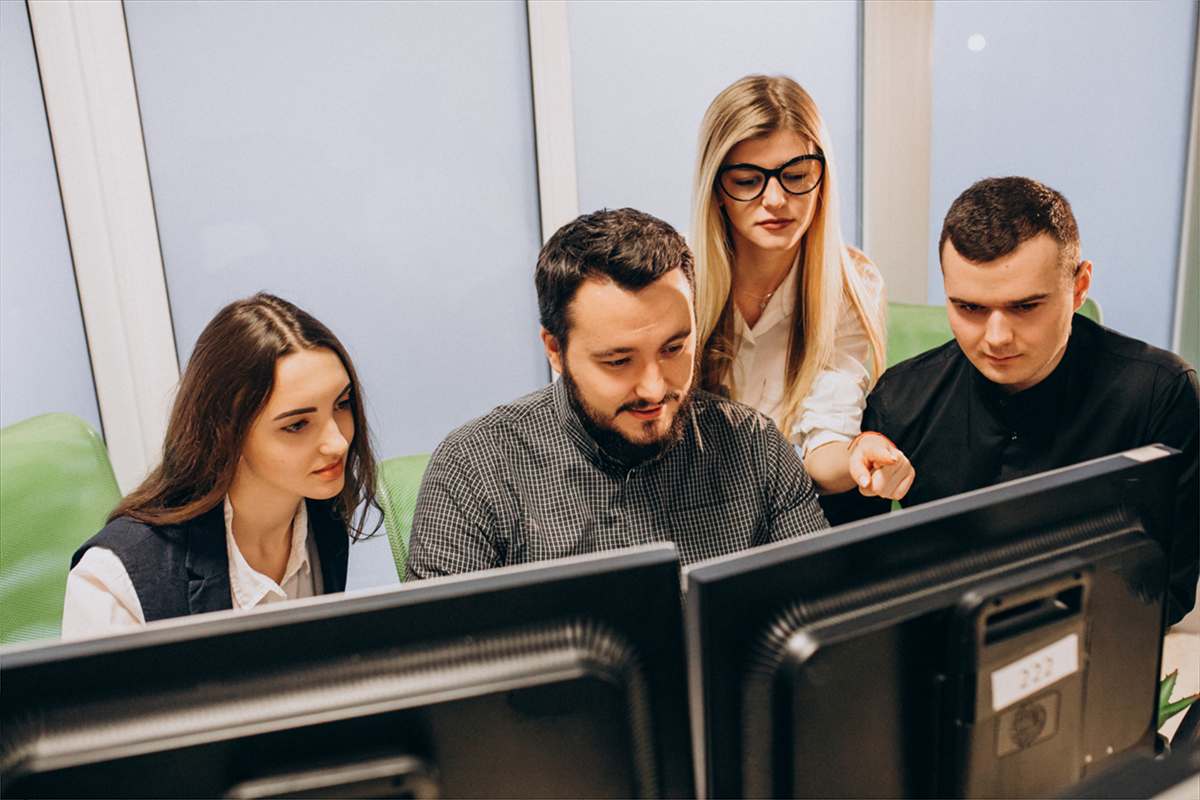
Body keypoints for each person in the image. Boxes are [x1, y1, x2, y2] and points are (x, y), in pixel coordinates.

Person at [829, 176, 1198, 625]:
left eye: (1025, 307)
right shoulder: (901, 401)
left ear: (1079, 287)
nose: (996, 338)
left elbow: (1168, 592)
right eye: (969, 308)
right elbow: (839, 583)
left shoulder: (1160, 393)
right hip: (942, 649)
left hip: (1094, 647)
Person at [405, 208, 828, 579]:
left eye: (673, 349)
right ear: (556, 349)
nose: (654, 388)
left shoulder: (754, 448)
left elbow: (826, 622)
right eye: (618, 361)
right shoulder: (476, 471)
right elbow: (432, 661)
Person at [62, 293, 380, 639]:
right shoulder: (113, 581)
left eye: (342, 404)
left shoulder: (322, 517)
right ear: (227, 433)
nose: (337, 442)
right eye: (297, 424)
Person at [691, 74, 913, 503]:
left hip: (791, 505)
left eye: (796, 175)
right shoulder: (676, 278)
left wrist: (855, 456)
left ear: (822, 178)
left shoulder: (852, 284)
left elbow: (825, 446)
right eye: (747, 180)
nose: (775, 199)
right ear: (716, 189)